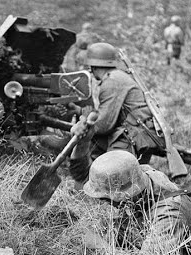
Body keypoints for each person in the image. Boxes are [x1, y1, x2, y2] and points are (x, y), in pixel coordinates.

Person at [72, 149, 191, 255]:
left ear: (126, 194)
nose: (104, 202)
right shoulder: (145, 177)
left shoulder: (167, 215)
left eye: (107, 198)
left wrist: (103, 247)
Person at [68, 42, 164, 178]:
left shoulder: (112, 81)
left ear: (94, 66)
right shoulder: (117, 76)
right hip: (137, 133)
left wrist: (81, 126)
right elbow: (107, 114)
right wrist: (79, 111)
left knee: (112, 180)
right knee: (95, 147)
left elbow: (103, 125)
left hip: (133, 135)